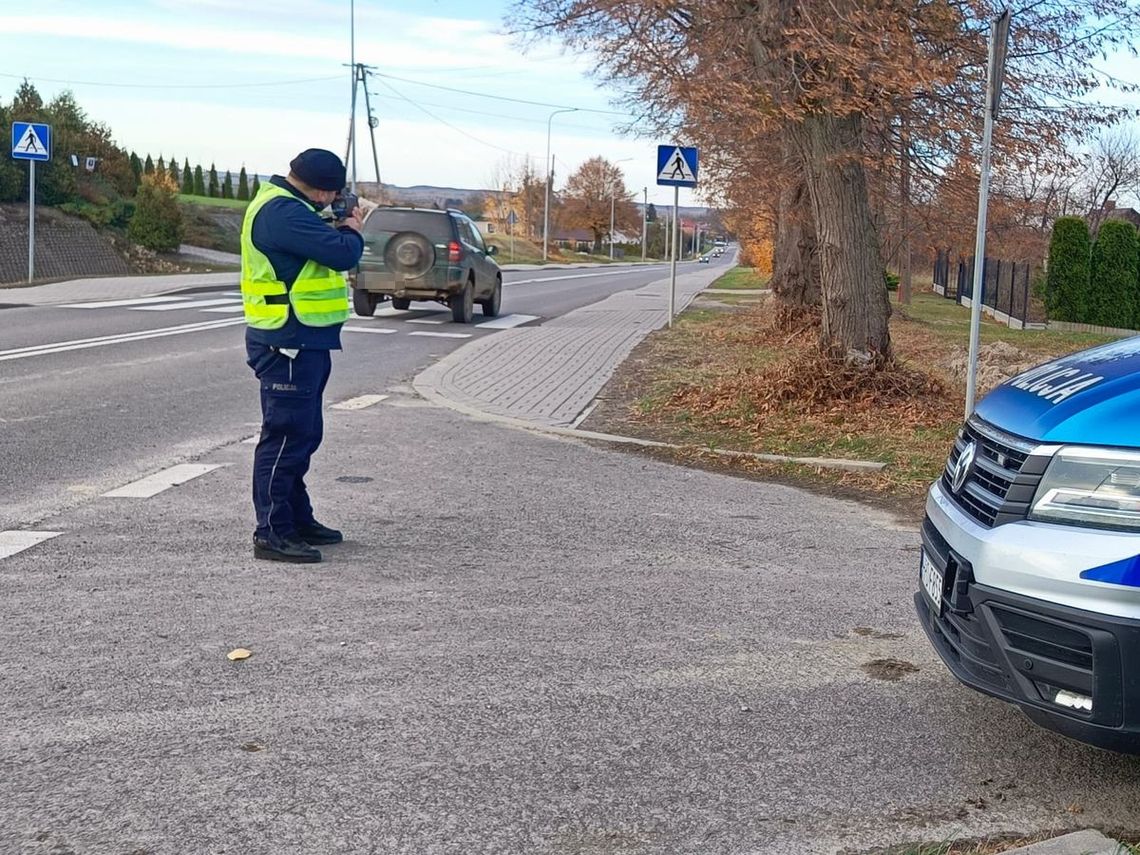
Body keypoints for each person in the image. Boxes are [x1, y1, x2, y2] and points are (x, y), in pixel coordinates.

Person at [240, 148, 365, 563]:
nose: (334, 201)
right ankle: (272, 532)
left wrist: (334, 223)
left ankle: (296, 518)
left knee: (304, 433)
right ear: (323, 190)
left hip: (303, 339)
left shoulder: (291, 207)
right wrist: (351, 228)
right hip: (286, 341)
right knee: (286, 437)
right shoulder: (283, 213)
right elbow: (343, 253)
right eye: (333, 194)